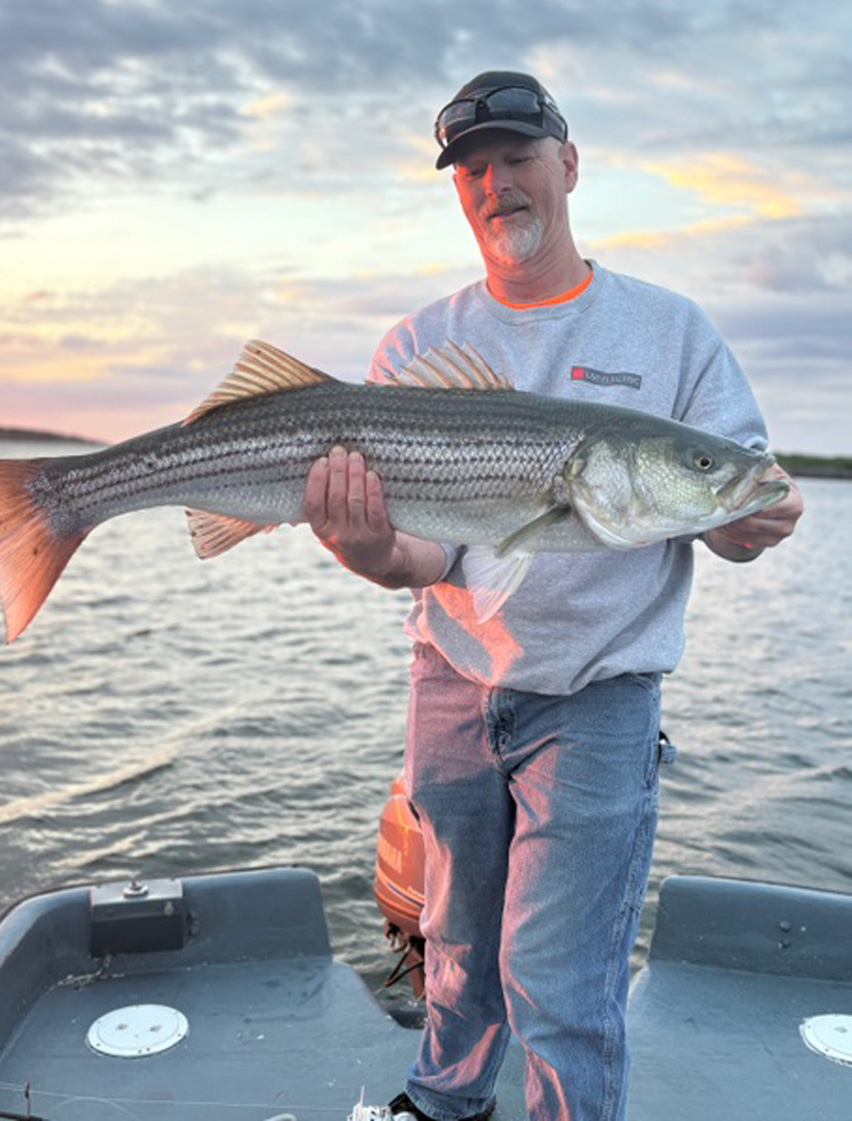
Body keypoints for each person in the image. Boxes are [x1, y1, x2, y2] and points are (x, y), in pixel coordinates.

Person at [304, 71, 804, 1121]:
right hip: (452, 679)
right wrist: (371, 550)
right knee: (453, 941)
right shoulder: (413, 345)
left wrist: (743, 515)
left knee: (560, 980)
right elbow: (430, 558)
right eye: (473, 169)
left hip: (599, 698)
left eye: (518, 157)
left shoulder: (672, 333)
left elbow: (738, 490)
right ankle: (443, 1101)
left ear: (568, 164)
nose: (497, 185)